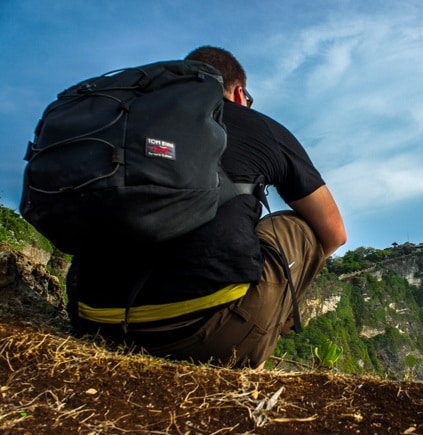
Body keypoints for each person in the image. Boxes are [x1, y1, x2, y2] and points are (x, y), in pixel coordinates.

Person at [66, 46, 346, 369]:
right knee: (304, 229)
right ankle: (261, 334)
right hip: (203, 335)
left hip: (94, 317)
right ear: (239, 93)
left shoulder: (130, 119)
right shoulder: (260, 126)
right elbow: (335, 234)